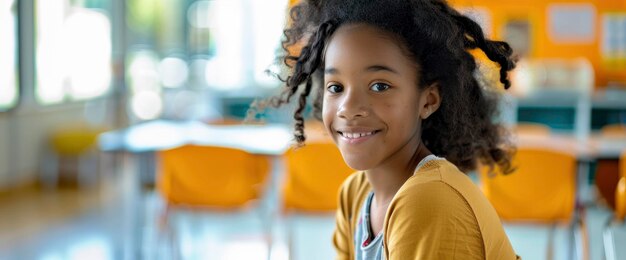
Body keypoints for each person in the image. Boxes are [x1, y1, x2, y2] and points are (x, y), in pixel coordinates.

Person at [252, 0, 520, 258]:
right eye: (336, 87)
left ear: (428, 100)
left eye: (379, 86)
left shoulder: (430, 200)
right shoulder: (357, 193)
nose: (349, 107)